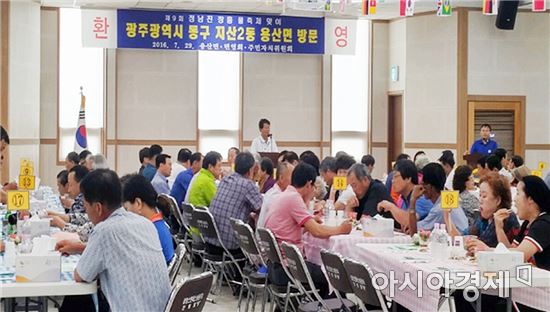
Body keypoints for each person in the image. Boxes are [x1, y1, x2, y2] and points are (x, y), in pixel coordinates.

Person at [73, 169, 171, 311]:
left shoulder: (104, 231)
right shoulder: (146, 224)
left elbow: (81, 275)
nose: (86, 212)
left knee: (77, 302)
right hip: (162, 308)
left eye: (86, 206)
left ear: (98, 208)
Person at [460, 176, 550, 312]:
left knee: (474, 297)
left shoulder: (544, 224)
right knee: (465, 294)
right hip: (524, 285)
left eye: (519, 193)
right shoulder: (527, 223)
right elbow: (509, 252)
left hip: (542, 293)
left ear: (531, 199)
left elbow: (519, 255)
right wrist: (499, 228)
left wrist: (486, 249)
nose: (515, 199)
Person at [264, 163, 352, 299]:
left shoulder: (284, 195)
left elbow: (291, 227)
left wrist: (308, 221)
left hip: (276, 266)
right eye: (314, 187)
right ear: (309, 184)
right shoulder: (293, 198)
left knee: (323, 271)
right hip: (289, 269)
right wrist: (341, 229)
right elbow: (317, 231)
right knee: (335, 275)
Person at [387, 163, 468, 234]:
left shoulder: (439, 208)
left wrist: (413, 199)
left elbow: (413, 231)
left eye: (422, 183)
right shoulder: (449, 198)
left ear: (429, 187)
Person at [207, 152, 262, 255]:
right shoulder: (247, 185)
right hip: (230, 246)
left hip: (211, 242)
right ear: (251, 169)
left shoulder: (225, 179)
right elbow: (262, 209)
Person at [446, 172, 518, 247]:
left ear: (498, 200)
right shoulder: (482, 219)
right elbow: (460, 239)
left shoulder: (507, 217)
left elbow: (509, 253)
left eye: (484, 196)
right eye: (480, 195)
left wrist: (499, 228)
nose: (480, 200)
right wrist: (447, 216)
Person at [122, 174, 175, 264]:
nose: (124, 214)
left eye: (126, 209)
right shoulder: (159, 225)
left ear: (138, 203)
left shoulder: (149, 233)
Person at [377, 160, 433, 226]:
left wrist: (391, 207)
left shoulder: (421, 196)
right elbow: (404, 226)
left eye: (396, 177)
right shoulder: (403, 198)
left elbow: (409, 221)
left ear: (408, 179)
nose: (392, 181)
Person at [257, 162, 294, 229]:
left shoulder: (271, 192)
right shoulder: (277, 196)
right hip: (269, 238)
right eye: (293, 177)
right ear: (281, 178)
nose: (295, 181)